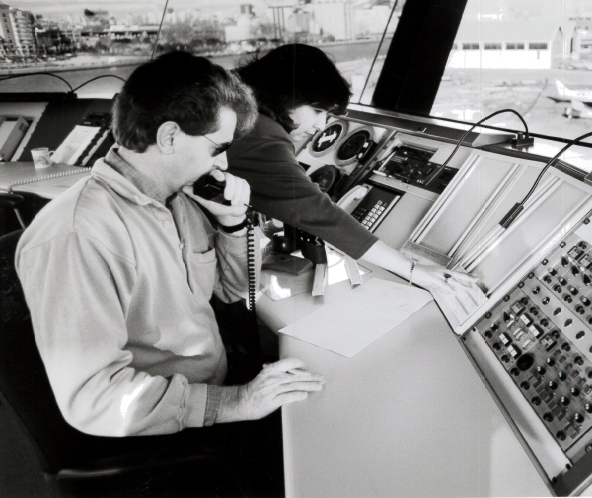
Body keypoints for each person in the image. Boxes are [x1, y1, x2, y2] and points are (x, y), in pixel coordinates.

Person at [15, 51, 324, 441]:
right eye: (216, 148)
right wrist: (236, 403)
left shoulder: (179, 200)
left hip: (213, 383)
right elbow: (93, 399)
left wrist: (232, 223)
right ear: (170, 137)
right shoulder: (78, 237)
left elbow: (231, 292)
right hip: (169, 422)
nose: (224, 165)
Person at [227, 44, 475, 293]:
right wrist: (413, 270)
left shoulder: (243, 114)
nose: (319, 126)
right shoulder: (263, 135)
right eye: (318, 110)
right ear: (284, 93)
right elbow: (319, 213)